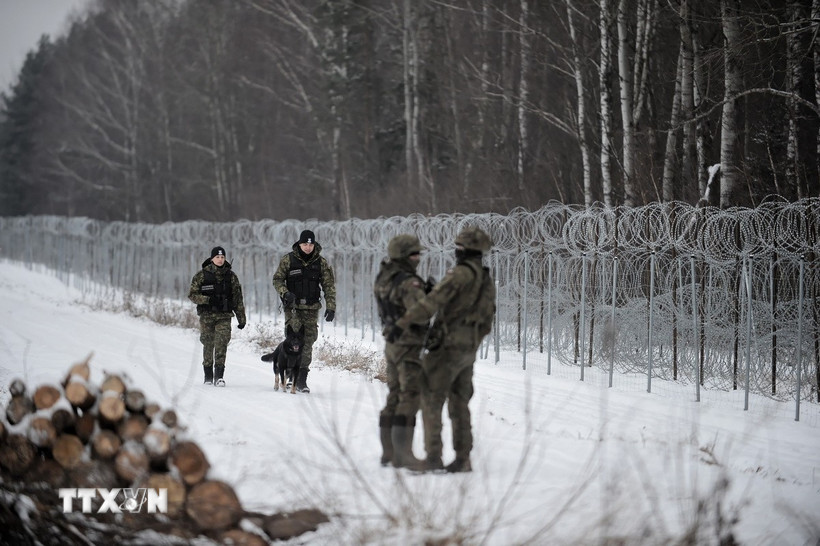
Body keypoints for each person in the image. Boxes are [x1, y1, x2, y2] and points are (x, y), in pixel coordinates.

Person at [392, 226, 496, 472]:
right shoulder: (485, 278)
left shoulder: (460, 274)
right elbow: (488, 318)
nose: (457, 251)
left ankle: (433, 456)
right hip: (468, 347)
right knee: (459, 402)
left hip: (447, 346)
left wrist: (403, 322)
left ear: (466, 250)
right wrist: (472, 340)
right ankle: (463, 458)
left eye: (459, 247)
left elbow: (432, 303)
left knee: (431, 398)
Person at [374, 234, 434, 469]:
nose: (417, 258)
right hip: (409, 343)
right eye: (414, 254)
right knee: (410, 395)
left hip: (392, 341)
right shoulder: (409, 282)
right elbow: (421, 312)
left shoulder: (384, 275)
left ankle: (388, 453)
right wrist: (431, 296)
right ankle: (404, 455)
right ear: (403, 255)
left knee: (395, 394)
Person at [272, 229, 336, 393]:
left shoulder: (321, 263)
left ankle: (301, 380)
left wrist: (331, 306)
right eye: (305, 244)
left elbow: (329, 286)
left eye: (310, 244)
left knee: (307, 343)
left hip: (311, 308)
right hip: (293, 308)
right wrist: (285, 292)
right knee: (293, 341)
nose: (308, 247)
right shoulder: (288, 260)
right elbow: (277, 279)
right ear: (299, 244)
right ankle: (288, 374)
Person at [188, 246, 247, 387]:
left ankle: (219, 377)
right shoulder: (202, 275)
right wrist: (207, 300)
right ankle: (208, 376)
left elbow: (237, 298)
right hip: (207, 316)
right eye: (217, 257)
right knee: (208, 344)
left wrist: (241, 318)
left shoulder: (231, 276)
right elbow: (192, 295)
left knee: (221, 343)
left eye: (222, 257)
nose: (220, 260)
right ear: (212, 258)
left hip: (224, 315)